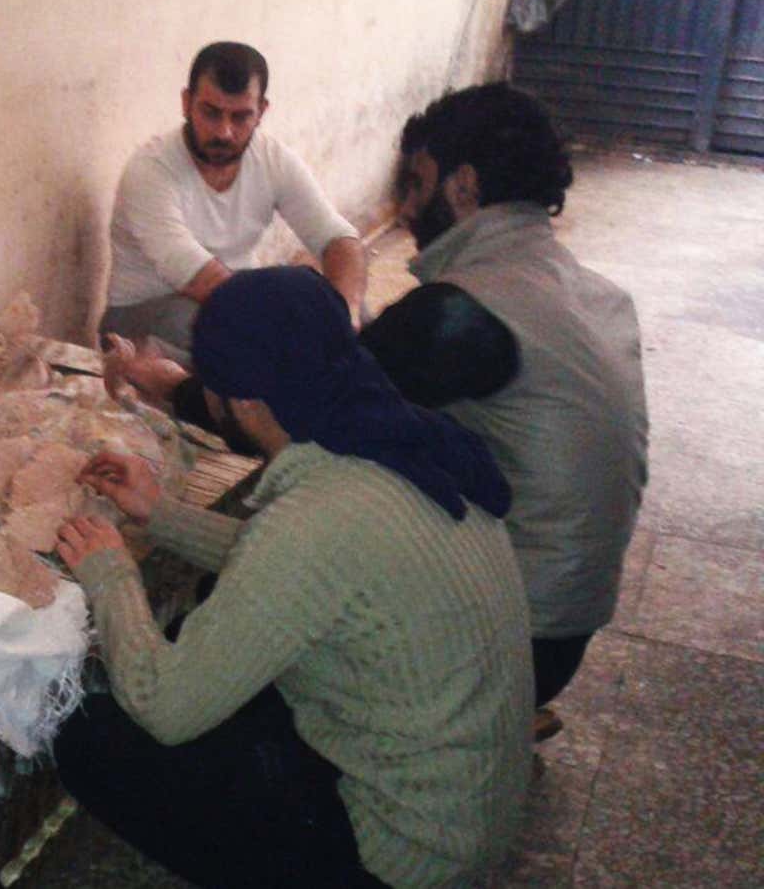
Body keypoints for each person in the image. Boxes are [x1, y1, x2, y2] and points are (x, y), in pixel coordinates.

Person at [55, 267, 533, 887]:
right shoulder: (392, 441)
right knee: (236, 663)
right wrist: (162, 516)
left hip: (400, 860)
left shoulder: (314, 519)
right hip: (465, 815)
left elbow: (164, 706)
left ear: (246, 402)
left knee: (92, 741)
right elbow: (304, 573)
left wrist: (110, 572)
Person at [361, 82, 649, 729]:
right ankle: (497, 711)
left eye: (417, 183)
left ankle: (439, 717)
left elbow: (318, 398)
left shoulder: (464, 309)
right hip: (566, 633)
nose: (405, 207)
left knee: (326, 479)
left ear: (463, 187)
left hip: (509, 642)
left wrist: (182, 388)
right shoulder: (598, 296)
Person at [102, 42, 367, 360]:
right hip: (147, 311)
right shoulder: (151, 169)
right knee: (245, 347)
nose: (224, 132)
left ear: (262, 112)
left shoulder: (273, 159)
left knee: (346, 313)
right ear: (187, 103)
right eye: (211, 113)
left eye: (241, 117)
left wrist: (345, 312)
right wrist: (287, 321)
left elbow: (338, 238)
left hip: (237, 296)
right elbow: (193, 274)